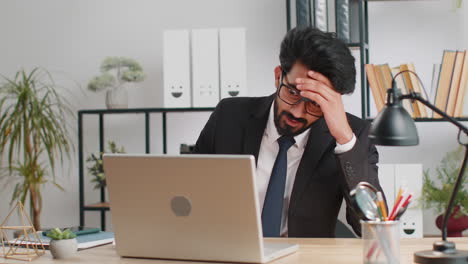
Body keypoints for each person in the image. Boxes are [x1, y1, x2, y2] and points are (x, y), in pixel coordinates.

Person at [194, 27, 383, 238]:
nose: (297, 111)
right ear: (278, 76)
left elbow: (373, 229)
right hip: (229, 251)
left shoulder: (354, 135)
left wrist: (345, 141)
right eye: (293, 92)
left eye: (315, 103)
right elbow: (188, 190)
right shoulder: (229, 116)